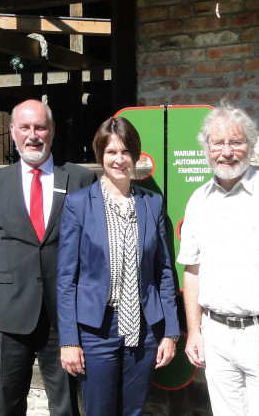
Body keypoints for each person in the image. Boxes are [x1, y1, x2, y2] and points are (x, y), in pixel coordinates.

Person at [0, 99, 96, 416]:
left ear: (51, 130)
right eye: (24, 127)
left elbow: (94, 257)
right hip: (9, 315)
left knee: (66, 405)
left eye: (40, 126)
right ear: (12, 132)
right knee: (9, 404)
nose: (33, 135)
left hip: (63, 318)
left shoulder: (80, 180)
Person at [177, 103, 259, 416]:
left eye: (236, 142)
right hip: (215, 333)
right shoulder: (198, 200)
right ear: (206, 148)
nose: (227, 151)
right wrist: (194, 332)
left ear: (251, 144)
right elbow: (191, 271)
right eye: (217, 143)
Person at [57, 116, 180, 415]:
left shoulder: (152, 203)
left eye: (125, 151)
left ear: (135, 155)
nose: (119, 159)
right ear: (100, 154)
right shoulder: (79, 204)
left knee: (134, 410)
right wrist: (70, 340)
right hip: (96, 331)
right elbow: (65, 280)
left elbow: (164, 271)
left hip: (144, 328)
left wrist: (170, 333)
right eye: (111, 151)